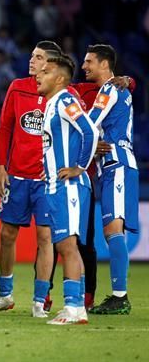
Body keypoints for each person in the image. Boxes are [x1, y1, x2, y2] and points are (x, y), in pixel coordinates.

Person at [0, 41, 63, 318]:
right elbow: (4, 128)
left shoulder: (64, 93)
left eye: (38, 58)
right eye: (31, 56)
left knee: (45, 237)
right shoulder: (18, 86)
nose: (32, 61)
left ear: (50, 65)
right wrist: (0, 166)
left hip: (46, 180)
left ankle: (39, 300)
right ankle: (4, 295)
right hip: (16, 175)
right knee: (7, 234)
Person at [37, 54, 98, 325]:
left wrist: (80, 167)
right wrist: (48, 167)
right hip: (56, 184)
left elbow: (90, 131)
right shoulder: (51, 105)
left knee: (67, 245)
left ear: (59, 78)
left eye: (46, 71)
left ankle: (73, 308)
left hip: (70, 186)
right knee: (67, 245)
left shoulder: (65, 99)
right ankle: (76, 307)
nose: (38, 74)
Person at [85, 45, 138, 315]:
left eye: (89, 62)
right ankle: (119, 295)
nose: (85, 67)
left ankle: (120, 297)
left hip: (116, 165)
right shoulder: (122, 88)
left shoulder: (109, 89)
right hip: (112, 167)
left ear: (104, 64)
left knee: (113, 231)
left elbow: (89, 123)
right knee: (111, 232)